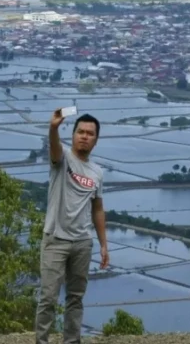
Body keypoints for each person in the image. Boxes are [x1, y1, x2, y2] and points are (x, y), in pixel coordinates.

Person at [35, 108, 108, 344]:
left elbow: (97, 208)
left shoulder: (97, 173)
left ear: (96, 140)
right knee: (48, 297)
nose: (84, 136)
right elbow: (55, 148)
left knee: (75, 298)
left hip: (82, 243)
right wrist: (53, 127)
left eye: (90, 133)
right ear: (74, 134)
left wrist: (104, 245)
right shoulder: (62, 158)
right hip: (56, 239)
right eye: (80, 132)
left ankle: (72, 341)